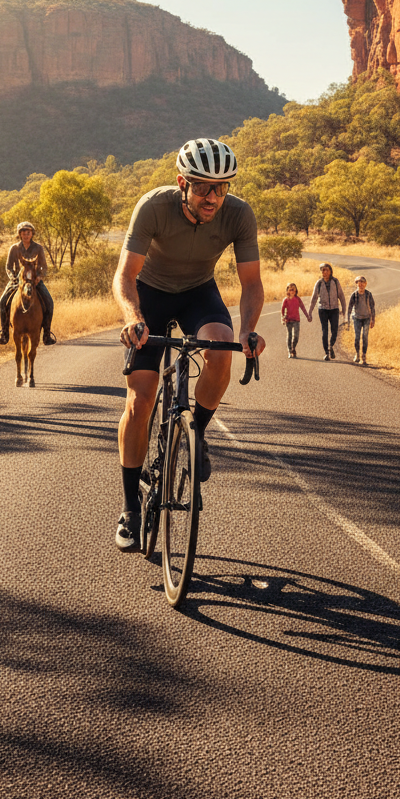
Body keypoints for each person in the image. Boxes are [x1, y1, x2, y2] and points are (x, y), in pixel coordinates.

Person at [113, 138, 266, 552]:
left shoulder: (239, 215)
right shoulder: (153, 207)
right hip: (151, 295)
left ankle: (194, 432)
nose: (213, 197)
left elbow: (251, 283)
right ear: (182, 182)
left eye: (222, 187)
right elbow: (125, 276)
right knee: (140, 400)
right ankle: (129, 507)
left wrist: (249, 329)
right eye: (202, 187)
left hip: (199, 292)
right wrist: (134, 318)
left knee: (221, 347)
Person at [0, 221, 56, 346]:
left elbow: (43, 267)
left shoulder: (38, 248)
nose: (26, 235)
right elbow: (8, 267)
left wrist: (39, 277)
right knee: (2, 302)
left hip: (35, 281)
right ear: (20, 234)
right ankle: (4, 333)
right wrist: (13, 278)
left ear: (32, 234)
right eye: (23, 233)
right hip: (17, 281)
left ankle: (47, 334)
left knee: (49, 302)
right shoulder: (14, 248)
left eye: (28, 233)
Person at [308, 262, 346, 361]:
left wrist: (344, 309)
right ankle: (327, 353)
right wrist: (310, 312)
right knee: (324, 331)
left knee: (334, 331)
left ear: (330, 271)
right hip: (323, 309)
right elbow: (314, 298)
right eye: (323, 270)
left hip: (334, 309)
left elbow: (341, 296)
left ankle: (330, 346)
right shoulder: (319, 283)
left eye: (326, 270)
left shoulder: (335, 281)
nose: (324, 272)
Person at [347, 275, 376, 365]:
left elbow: (372, 307)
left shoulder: (369, 294)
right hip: (356, 318)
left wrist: (373, 319)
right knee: (357, 337)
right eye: (359, 283)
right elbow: (349, 308)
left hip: (367, 318)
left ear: (366, 284)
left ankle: (364, 355)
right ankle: (357, 354)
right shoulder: (354, 295)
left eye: (363, 283)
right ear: (357, 284)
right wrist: (348, 320)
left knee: (365, 337)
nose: (361, 285)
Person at [280, 282, 311, 359]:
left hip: (296, 320)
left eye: (293, 289)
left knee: (296, 336)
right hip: (288, 320)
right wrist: (283, 318)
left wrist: (307, 316)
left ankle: (293, 348)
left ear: (296, 290)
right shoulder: (286, 300)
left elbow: (303, 307)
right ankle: (289, 351)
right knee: (289, 335)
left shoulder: (298, 299)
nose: (292, 291)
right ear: (287, 291)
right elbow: (282, 309)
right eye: (290, 289)